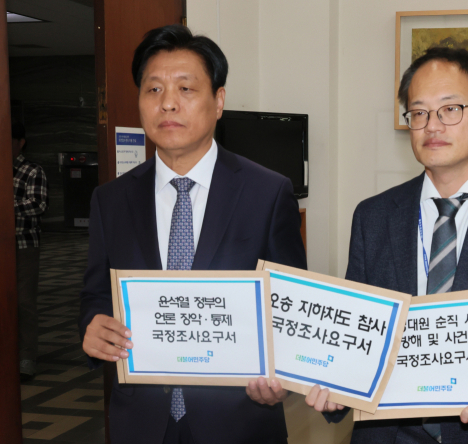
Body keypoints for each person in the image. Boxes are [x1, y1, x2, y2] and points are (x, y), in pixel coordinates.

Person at [305, 47, 468, 444]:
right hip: (389, 432)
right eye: (419, 112)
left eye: (450, 109)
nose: (432, 125)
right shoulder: (373, 216)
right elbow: (361, 326)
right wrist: (336, 387)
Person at [78, 25, 306, 444]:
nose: (168, 103)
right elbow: (96, 295)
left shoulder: (268, 193)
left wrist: (284, 377)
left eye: (185, 88)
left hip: (239, 423)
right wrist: (92, 325)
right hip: (142, 424)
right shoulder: (110, 200)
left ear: (218, 101)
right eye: (154, 89)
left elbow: (290, 308)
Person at [12, 121, 48, 382]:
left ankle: (26, 358)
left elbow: (37, 205)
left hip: (23, 245)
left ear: (20, 142)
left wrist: (6, 205)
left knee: (24, 302)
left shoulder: (32, 170)